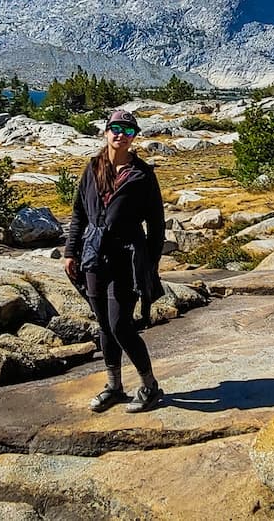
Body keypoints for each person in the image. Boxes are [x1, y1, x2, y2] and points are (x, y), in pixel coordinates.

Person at [63, 108, 166, 413]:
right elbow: (79, 213)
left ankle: (149, 386)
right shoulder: (93, 167)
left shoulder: (143, 175)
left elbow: (156, 226)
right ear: (105, 132)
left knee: (120, 324)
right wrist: (71, 252)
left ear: (135, 137)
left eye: (128, 130)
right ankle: (114, 387)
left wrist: (150, 265)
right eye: (116, 129)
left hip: (127, 257)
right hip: (93, 255)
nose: (121, 134)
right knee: (104, 326)